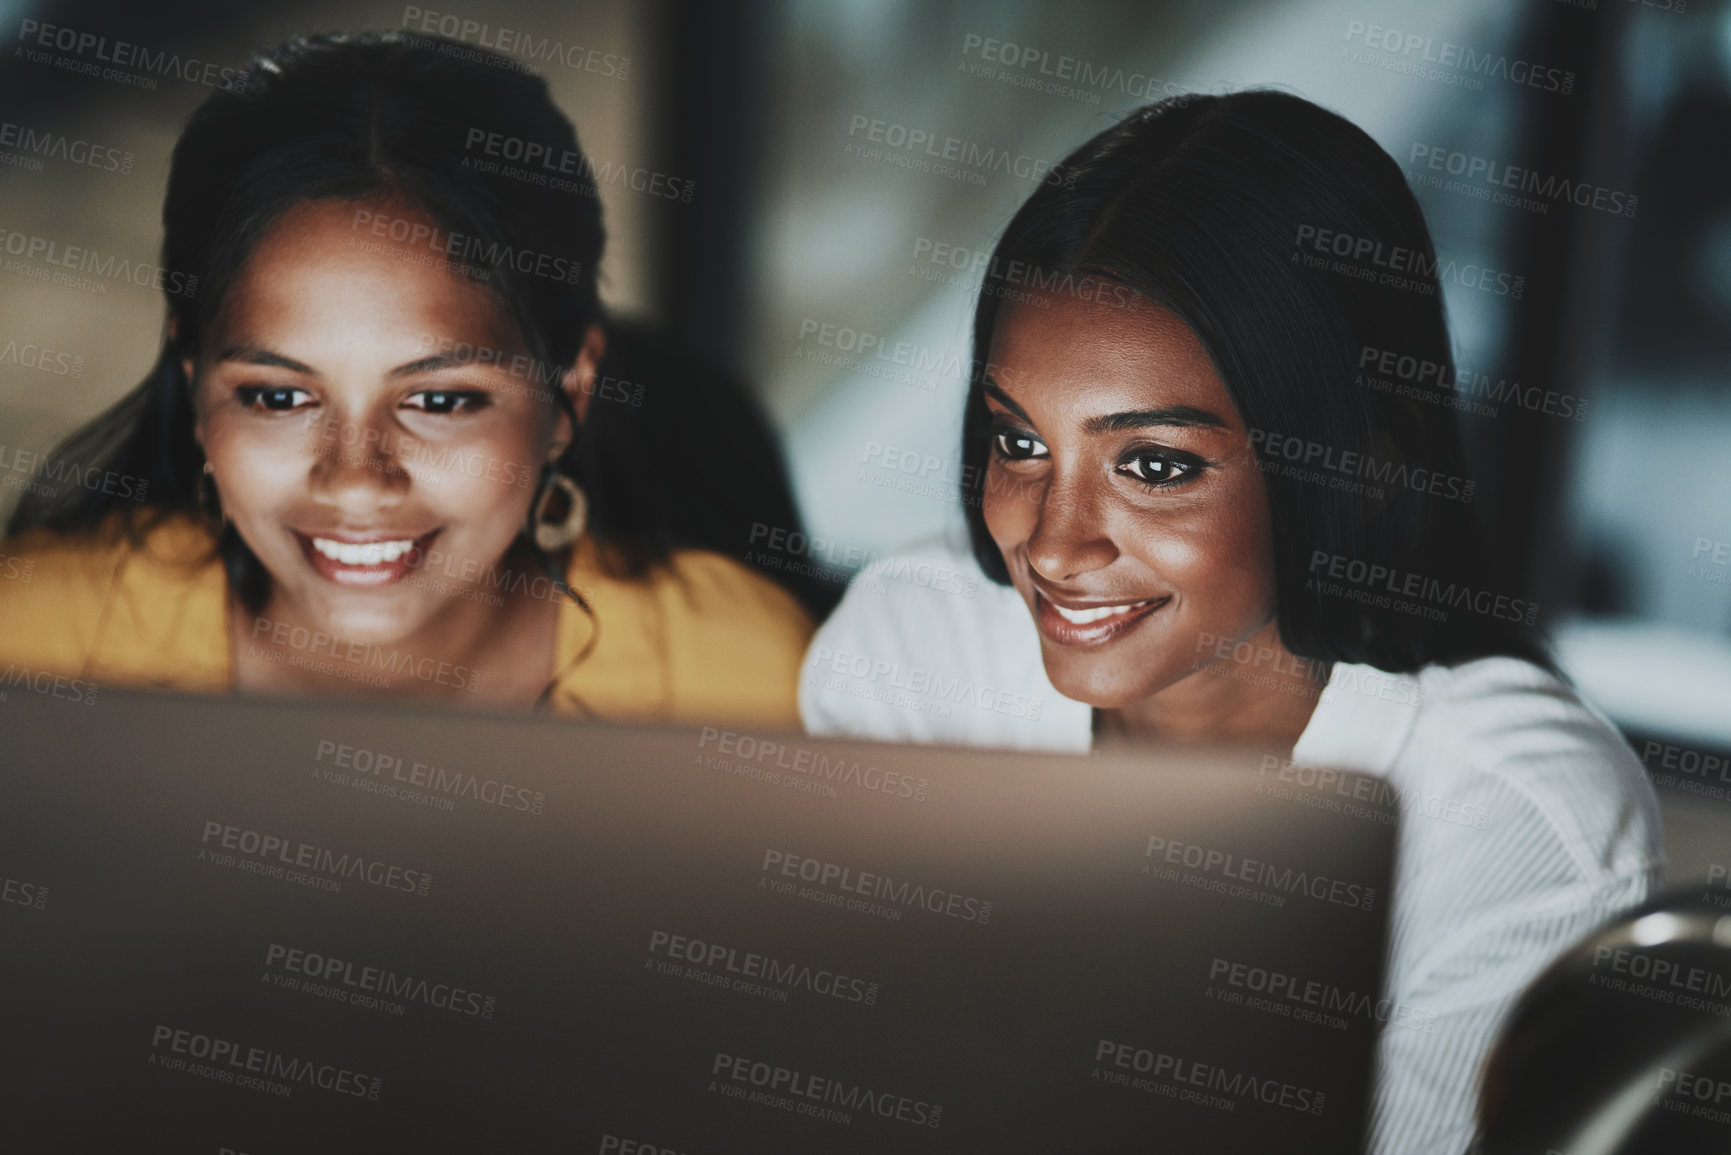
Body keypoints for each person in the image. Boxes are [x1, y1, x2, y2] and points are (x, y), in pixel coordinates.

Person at [800, 91, 1664, 1154]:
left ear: (1363, 461)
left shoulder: (1508, 812)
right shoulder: (915, 647)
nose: (1056, 544)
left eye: (1154, 467)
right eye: (1019, 444)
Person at [0, 31, 814, 727]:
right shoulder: (36, 647)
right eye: (279, 397)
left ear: (567, 397)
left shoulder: (736, 684)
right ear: (197, 388)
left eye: (440, 399)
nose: (356, 480)